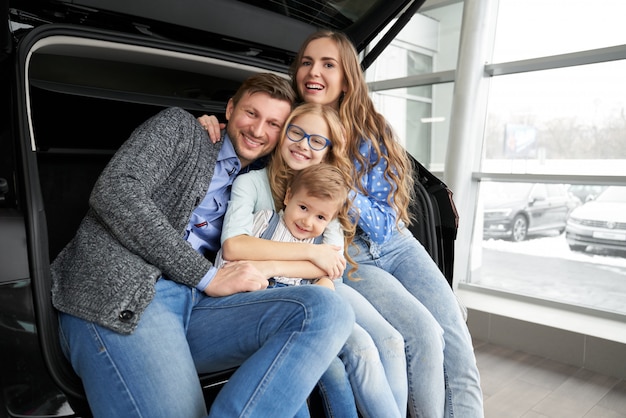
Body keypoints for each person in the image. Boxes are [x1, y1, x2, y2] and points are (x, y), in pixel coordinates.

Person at [200, 30, 484, 417]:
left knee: (456, 338)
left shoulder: (371, 129)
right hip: (348, 253)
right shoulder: (292, 125)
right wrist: (211, 124)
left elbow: (385, 224)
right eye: (306, 62)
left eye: (328, 64)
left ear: (347, 76)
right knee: (421, 334)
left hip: (393, 242)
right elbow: (252, 135)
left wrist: (336, 181)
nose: (314, 71)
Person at [50, 73, 355, 418]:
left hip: (202, 306)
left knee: (328, 310)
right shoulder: (183, 129)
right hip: (129, 292)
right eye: (251, 114)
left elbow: (316, 188)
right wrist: (206, 276)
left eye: (273, 123)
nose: (257, 130)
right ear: (229, 109)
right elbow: (116, 191)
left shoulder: (265, 180)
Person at [211, 102, 407, 418]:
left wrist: (279, 265)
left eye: (317, 141)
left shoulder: (327, 199)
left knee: (380, 344)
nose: (303, 145)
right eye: (296, 133)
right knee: (334, 361)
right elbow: (235, 247)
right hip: (268, 298)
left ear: (328, 151)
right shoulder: (255, 187)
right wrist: (311, 253)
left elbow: (331, 268)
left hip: (315, 293)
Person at [215, 163, 350, 290]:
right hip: (250, 290)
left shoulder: (321, 246)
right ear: (288, 197)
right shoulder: (266, 220)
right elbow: (226, 263)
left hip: (292, 301)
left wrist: (325, 283)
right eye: (303, 208)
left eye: (320, 217)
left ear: (330, 220)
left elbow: (331, 274)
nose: (307, 222)